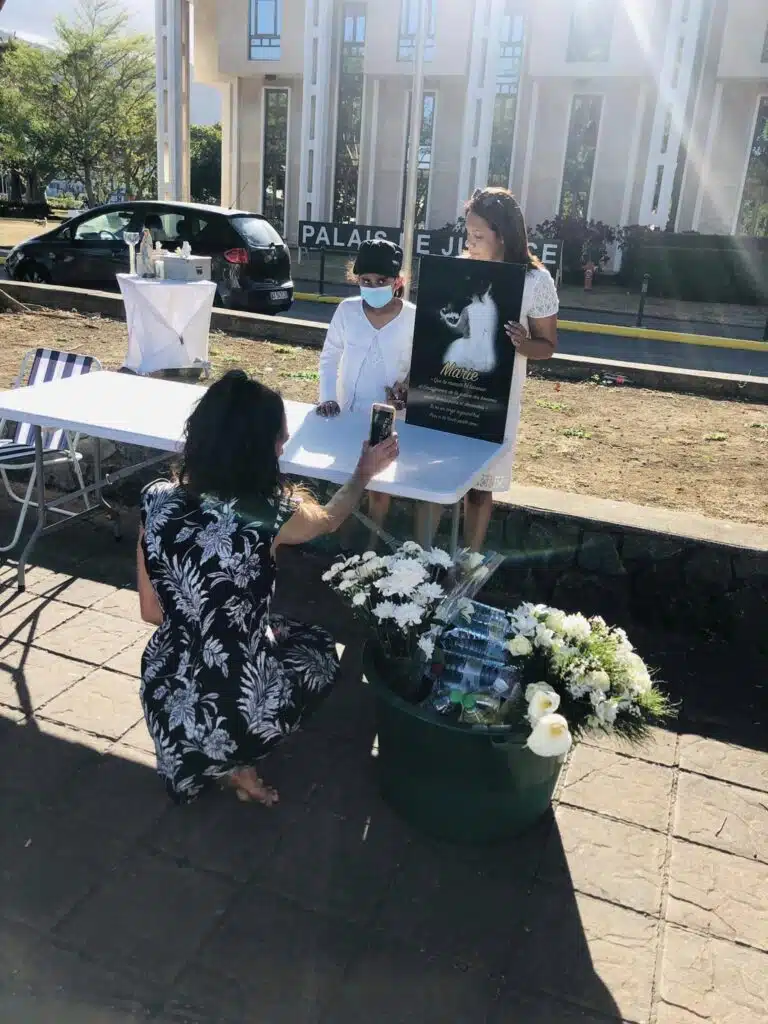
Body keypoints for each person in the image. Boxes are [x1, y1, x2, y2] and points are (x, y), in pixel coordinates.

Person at [136, 370, 398, 806]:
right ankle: (242, 758)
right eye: (280, 441)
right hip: (243, 708)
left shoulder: (155, 499)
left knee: (241, 633)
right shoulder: (273, 514)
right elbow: (331, 518)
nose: (283, 449)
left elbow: (151, 611)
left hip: (167, 696)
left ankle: (211, 757)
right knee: (316, 650)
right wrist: (363, 472)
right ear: (257, 449)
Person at [419, 187, 558, 551]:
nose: (470, 243)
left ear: (503, 235)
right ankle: (416, 564)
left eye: (478, 236)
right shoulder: (457, 269)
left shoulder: (535, 281)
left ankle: (469, 562)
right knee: (434, 476)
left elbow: (547, 346)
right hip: (447, 391)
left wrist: (522, 343)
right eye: (468, 234)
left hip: (494, 399)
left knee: (480, 488)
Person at [316, 238, 414, 539]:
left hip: (388, 416)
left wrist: (407, 389)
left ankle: (372, 546)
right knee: (346, 478)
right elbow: (330, 356)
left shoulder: (413, 317)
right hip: (347, 409)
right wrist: (328, 398)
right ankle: (341, 542)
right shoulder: (347, 311)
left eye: (381, 281)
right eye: (365, 281)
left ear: (398, 281)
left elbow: (422, 363)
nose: (373, 287)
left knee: (380, 485)